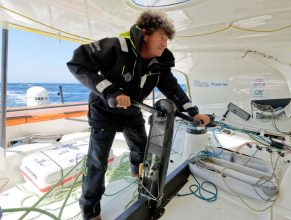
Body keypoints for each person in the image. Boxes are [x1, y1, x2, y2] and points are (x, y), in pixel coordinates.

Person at [67, 10, 210, 220]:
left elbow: (173, 89)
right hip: (104, 110)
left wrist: (193, 112)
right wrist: (111, 92)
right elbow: (78, 64)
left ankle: (137, 172)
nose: (164, 43)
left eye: (166, 39)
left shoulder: (159, 63)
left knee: (141, 148)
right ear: (145, 34)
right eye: (161, 36)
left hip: (132, 110)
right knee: (98, 162)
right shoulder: (117, 46)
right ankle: (90, 210)